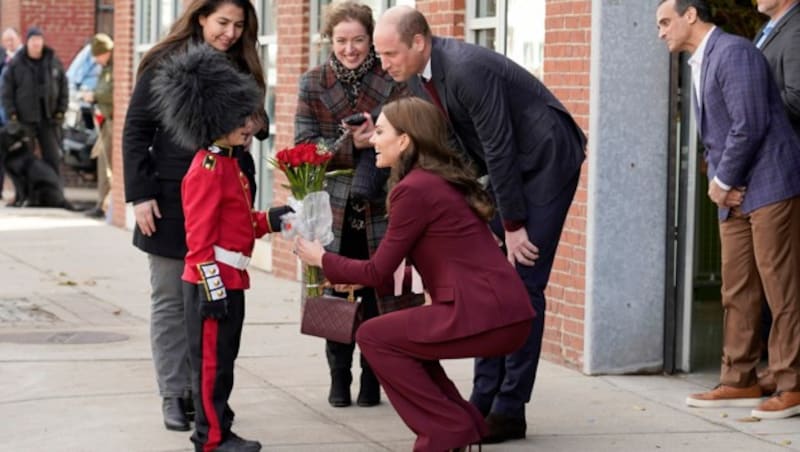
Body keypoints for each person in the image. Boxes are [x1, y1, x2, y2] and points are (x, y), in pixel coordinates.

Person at [372, 6, 587, 442]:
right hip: (505, 167)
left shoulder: (467, 69)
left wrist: (513, 224)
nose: (384, 64)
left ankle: (509, 409)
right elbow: (447, 146)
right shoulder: (416, 79)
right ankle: (482, 398)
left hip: (545, 157)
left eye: (389, 53)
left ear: (418, 42)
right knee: (485, 284)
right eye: (380, 55)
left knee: (523, 280)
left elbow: (499, 145)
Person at [295, 96, 536, 452]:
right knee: (404, 342)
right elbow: (430, 261)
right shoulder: (434, 181)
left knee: (375, 335)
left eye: (380, 132)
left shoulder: (414, 189)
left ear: (405, 140)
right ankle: (461, 423)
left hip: (485, 314)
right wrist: (355, 276)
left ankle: (447, 430)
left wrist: (322, 258)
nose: (373, 140)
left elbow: (379, 270)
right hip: (503, 312)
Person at [122, 0, 268, 434]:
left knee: (215, 302)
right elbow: (136, 131)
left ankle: (206, 397)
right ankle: (175, 392)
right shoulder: (165, 64)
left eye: (239, 25)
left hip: (227, 200)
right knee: (170, 298)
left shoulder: (242, 64)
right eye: (223, 22)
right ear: (200, 16)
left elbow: (258, 123)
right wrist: (141, 194)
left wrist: (252, 121)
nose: (230, 32)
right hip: (168, 199)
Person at [656, 0, 800, 419]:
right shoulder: (700, 61)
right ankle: (739, 379)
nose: (661, 31)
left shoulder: (734, 51)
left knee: (781, 288)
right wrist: (720, 184)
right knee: (736, 289)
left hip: (771, 183)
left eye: (666, 22)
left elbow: (749, 124)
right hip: (736, 193)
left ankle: (791, 385)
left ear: (691, 16)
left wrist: (721, 182)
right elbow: (717, 136)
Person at [151, 42, 289, 452]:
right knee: (211, 366)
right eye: (239, 120)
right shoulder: (207, 169)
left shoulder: (228, 162)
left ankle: (219, 426)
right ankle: (210, 439)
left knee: (224, 362)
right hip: (214, 282)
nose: (248, 126)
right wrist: (212, 290)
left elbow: (239, 223)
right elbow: (199, 241)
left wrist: (272, 219)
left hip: (232, 278)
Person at [294, 0, 409, 409]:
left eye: (358, 40)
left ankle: (373, 378)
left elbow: (410, 132)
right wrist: (348, 144)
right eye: (341, 40)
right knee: (335, 293)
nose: (350, 49)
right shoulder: (312, 82)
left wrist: (376, 139)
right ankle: (338, 376)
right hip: (334, 209)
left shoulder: (392, 77)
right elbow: (302, 147)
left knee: (381, 297)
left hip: (382, 202)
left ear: (371, 39)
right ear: (330, 40)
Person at [753, 0, 800, 395]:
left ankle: (790, 374)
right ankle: (778, 366)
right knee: (772, 279)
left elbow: (797, 98)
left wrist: (750, 111)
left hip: (784, 169)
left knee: (783, 279)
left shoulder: (797, 27)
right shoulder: (769, 30)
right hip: (764, 171)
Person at [1, 27, 68, 176]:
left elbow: (64, 87)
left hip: (48, 119)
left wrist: (61, 111)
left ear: (43, 42)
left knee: (53, 157)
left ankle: (54, 192)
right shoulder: (16, 63)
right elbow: (7, 92)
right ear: (27, 42)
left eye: (39, 40)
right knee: (24, 158)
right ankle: (24, 194)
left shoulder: (53, 61)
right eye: (33, 40)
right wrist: (12, 115)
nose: (36, 44)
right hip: (24, 120)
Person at [83, 33, 114, 219]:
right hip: (106, 121)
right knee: (102, 164)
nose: (95, 60)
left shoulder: (115, 67)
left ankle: (105, 206)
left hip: (113, 121)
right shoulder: (106, 68)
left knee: (107, 165)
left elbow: (112, 92)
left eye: (97, 56)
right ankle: (102, 204)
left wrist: (94, 96)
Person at [0, 28, 22, 202]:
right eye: (6, 40)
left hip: (18, 116)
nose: (9, 43)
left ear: (19, 39)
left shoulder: (24, 58)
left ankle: (20, 193)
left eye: (12, 39)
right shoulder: (2, 58)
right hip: (2, 114)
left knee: (20, 157)